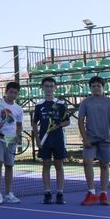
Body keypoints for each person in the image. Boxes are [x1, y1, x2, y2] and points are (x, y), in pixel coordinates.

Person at [78, 76, 110, 206]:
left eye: (98, 86)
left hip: (106, 139)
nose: (96, 88)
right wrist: (85, 138)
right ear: (90, 88)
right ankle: (91, 193)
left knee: (104, 165)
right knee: (87, 162)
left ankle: (103, 194)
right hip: (90, 139)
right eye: (93, 86)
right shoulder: (85, 102)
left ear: (103, 88)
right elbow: (80, 121)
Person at [33, 76, 69, 205]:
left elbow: (67, 121)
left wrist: (58, 125)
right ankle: (47, 193)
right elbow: (34, 124)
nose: (49, 88)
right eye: (46, 86)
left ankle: (60, 193)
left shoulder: (61, 104)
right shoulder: (39, 105)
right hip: (45, 141)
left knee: (59, 166)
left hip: (58, 139)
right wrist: (37, 139)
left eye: (51, 86)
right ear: (42, 88)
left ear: (55, 88)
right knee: (46, 165)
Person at [0, 81, 24, 205]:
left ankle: (9, 193)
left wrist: (18, 136)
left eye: (15, 93)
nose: (13, 94)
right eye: (11, 92)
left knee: (9, 166)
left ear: (17, 94)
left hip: (11, 140)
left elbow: (19, 125)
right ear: (6, 91)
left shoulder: (19, 109)